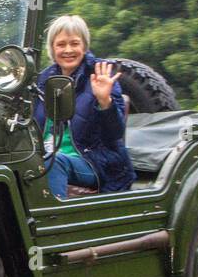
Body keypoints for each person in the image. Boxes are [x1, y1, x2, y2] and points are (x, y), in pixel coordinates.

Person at [31, 14, 136, 199]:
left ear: (84, 46)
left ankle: (54, 222)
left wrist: (105, 101)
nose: (68, 50)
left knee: (52, 162)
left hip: (93, 161)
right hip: (46, 153)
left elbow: (115, 133)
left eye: (74, 43)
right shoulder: (42, 80)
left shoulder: (101, 73)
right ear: (52, 48)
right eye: (61, 44)